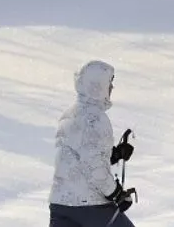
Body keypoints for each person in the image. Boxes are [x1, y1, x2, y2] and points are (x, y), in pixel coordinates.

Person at [48, 60, 137, 227]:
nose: (112, 88)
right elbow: (95, 167)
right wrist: (117, 193)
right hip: (88, 205)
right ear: (98, 85)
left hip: (60, 203)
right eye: (109, 82)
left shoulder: (69, 114)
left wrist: (114, 154)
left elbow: (79, 157)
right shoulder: (96, 118)